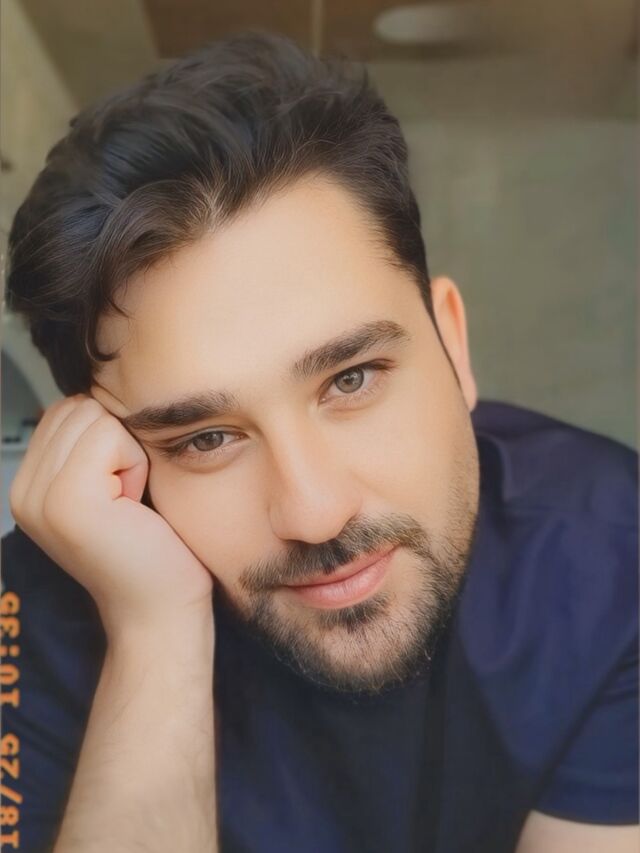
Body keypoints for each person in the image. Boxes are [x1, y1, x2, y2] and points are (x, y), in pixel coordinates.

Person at [1, 29, 637, 853]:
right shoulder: (28, 611)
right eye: (206, 437)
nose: (315, 511)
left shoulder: (612, 551)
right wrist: (154, 635)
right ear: (111, 457)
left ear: (453, 344)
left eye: (352, 379)